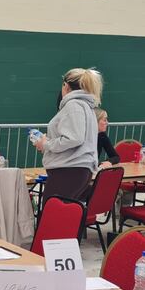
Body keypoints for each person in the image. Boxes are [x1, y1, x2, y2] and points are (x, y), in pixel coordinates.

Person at [34, 68, 101, 201]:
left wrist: (46, 144)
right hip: (77, 170)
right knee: (63, 216)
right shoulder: (86, 106)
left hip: (68, 170)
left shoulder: (74, 105)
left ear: (66, 86)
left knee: (51, 215)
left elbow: (74, 138)